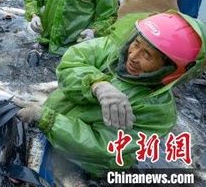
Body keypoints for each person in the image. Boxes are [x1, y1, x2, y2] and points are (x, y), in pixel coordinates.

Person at [15, 10, 205, 176]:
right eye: (136, 44)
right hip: (52, 123)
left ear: (171, 69)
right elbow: (72, 61)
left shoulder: (158, 112)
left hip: (85, 162)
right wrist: (97, 84)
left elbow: (101, 144)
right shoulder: (112, 50)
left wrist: (47, 119)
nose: (133, 56)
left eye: (147, 55)